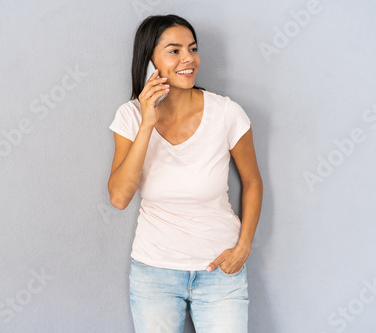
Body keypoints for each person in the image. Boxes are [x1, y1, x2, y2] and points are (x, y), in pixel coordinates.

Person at [108, 14, 263, 333]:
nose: (189, 59)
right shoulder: (130, 117)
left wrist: (243, 247)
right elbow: (120, 197)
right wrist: (147, 122)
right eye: (174, 51)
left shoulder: (226, 113)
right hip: (154, 275)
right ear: (149, 61)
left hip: (220, 272)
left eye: (192, 49)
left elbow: (252, 181)